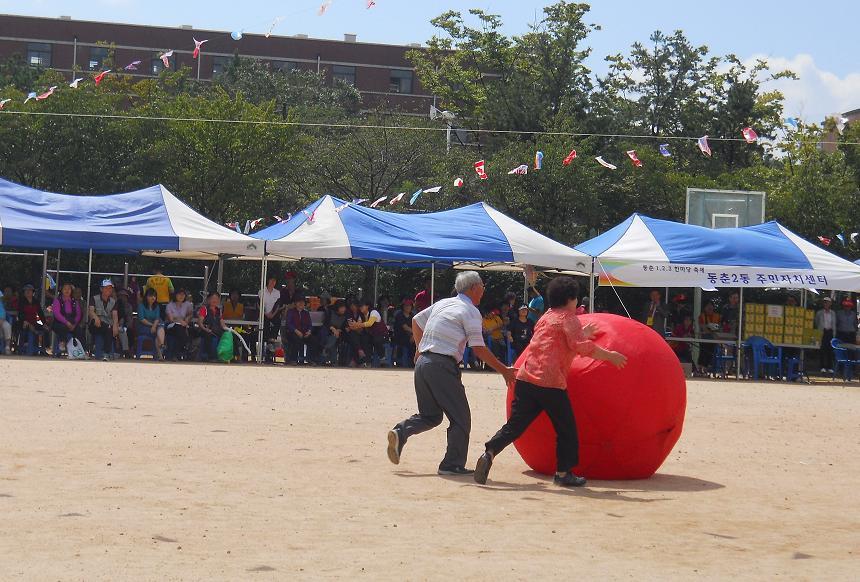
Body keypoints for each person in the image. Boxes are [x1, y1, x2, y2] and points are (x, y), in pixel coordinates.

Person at [473, 276, 627, 487]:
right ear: (570, 299)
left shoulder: (546, 316)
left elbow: (558, 338)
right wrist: (610, 355)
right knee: (566, 430)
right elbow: (581, 347)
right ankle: (563, 473)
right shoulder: (569, 318)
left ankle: (489, 452)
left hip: (526, 378)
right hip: (550, 383)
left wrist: (583, 332)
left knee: (516, 425)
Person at [387, 271, 517, 476]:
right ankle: (451, 464)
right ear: (474, 288)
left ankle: (401, 431)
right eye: (482, 286)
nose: (484, 290)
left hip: (423, 364)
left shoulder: (443, 303)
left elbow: (416, 321)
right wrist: (504, 370)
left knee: (430, 416)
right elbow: (478, 348)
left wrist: (419, 348)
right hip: (443, 365)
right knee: (461, 418)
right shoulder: (471, 311)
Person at [89, 279, 119, 360]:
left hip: (107, 325)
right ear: (101, 289)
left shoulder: (113, 301)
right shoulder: (94, 298)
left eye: (110, 288)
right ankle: (106, 353)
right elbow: (91, 311)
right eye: (106, 288)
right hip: (95, 325)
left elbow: (115, 315)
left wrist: (115, 325)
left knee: (109, 329)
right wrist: (96, 318)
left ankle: (106, 353)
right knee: (108, 329)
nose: (108, 290)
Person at [51, 282, 82, 355]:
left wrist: (74, 324)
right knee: (63, 327)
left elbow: (78, 314)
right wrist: (66, 322)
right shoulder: (57, 301)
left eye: (69, 289)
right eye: (65, 289)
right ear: (62, 290)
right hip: (59, 323)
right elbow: (57, 314)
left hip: (72, 323)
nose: (67, 290)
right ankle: (62, 343)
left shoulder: (75, 302)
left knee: (79, 330)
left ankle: (81, 350)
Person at [284, 295, 315, 364]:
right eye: (299, 302)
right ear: (295, 303)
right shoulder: (291, 311)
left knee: (313, 340)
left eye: (302, 302)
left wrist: (309, 331)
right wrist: (296, 331)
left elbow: (310, 324)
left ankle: (310, 359)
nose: (301, 303)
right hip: (293, 332)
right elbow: (289, 324)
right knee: (296, 339)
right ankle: (293, 359)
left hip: (304, 333)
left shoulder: (306, 313)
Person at [198, 292, 227, 361]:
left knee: (227, 336)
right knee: (210, 337)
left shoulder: (218, 310)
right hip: (206, 330)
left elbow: (222, 322)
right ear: (208, 300)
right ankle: (210, 356)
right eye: (213, 298)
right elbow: (200, 322)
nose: (215, 300)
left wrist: (227, 330)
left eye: (217, 299)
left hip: (216, 330)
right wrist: (205, 329)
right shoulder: (204, 309)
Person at [18, 284, 46, 355]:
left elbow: (40, 313)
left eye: (30, 290)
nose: (28, 292)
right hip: (24, 322)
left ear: (33, 292)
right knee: (27, 327)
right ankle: (25, 348)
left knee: (44, 328)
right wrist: (25, 321)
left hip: (34, 322)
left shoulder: (36, 301)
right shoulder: (21, 301)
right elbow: (20, 314)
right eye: (26, 290)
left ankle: (42, 350)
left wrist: (44, 323)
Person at [138, 288, 166, 359]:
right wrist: (152, 325)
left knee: (158, 332)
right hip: (144, 326)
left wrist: (154, 326)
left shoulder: (157, 306)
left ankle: (160, 353)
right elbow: (142, 319)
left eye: (154, 296)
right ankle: (161, 347)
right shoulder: (141, 306)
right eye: (150, 296)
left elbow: (157, 318)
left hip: (155, 326)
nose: (153, 297)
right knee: (158, 330)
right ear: (146, 297)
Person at [165, 288, 193, 359]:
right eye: (179, 294)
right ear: (175, 295)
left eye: (183, 294)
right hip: (172, 326)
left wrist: (187, 319)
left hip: (183, 325)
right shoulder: (170, 305)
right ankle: (179, 351)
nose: (181, 296)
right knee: (179, 329)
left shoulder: (187, 304)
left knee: (187, 330)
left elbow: (190, 314)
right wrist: (180, 321)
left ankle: (178, 352)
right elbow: (171, 319)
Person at [321, 300, 349, 365]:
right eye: (341, 308)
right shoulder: (330, 312)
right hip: (328, 332)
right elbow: (325, 323)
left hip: (339, 334)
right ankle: (333, 361)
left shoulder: (345, 315)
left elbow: (345, 327)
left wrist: (339, 330)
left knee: (334, 338)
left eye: (344, 308)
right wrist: (333, 329)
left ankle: (326, 349)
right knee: (333, 338)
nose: (343, 309)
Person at [391, 298, 415, 367]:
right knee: (411, 344)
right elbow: (405, 327)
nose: (408, 307)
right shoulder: (399, 315)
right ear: (403, 306)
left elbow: (415, 326)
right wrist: (414, 334)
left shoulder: (412, 315)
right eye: (406, 305)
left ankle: (413, 362)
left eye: (409, 305)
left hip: (410, 336)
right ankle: (407, 363)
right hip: (399, 336)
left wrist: (413, 336)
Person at [697, 301, 721, 372]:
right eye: (708, 306)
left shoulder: (717, 316)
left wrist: (712, 329)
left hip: (713, 338)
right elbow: (702, 327)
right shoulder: (701, 316)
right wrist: (709, 328)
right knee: (703, 353)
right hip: (704, 338)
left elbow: (719, 327)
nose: (710, 307)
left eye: (711, 305)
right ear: (705, 308)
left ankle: (706, 369)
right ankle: (700, 369)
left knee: (710, 354)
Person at [815, 297, 836, 373]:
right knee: (822, 349)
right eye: (825, 302)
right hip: (822, 332)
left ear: (830, 304)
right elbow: (816, 322)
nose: (826, 304)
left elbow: (834, 323)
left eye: (827, 302)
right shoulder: (819, 313)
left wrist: (834, 333)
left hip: (830, 332)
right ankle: (822, 367)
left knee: (830, 350)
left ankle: (830, 367)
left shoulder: (833, 313)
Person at [260, 276, 282, 350]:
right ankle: (268, 343)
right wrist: (265, 313)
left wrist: (272, 314)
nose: (273, 282)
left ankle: (271, 341)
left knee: (277, 321)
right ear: (268, 281)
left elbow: (278, 304)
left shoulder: (277, 292)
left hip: (274, 314)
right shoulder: (261, 291)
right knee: (264, 323)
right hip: (264, 314)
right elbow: (259, 304)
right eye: (271, 280)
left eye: (274, 281)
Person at [114, 288, 134, 358]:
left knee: (130, 332)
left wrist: (126, 327)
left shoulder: (129, 306)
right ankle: (123, 351)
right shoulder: (114, 304)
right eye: (120, 296)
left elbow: (129, 318)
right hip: (115, 325)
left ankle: (128, 351)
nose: (122, 298)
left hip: (125, 325)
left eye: (124, 296)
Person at [0, 289, 12, 354]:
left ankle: (7, 347)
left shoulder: (1, 305)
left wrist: (1, 320)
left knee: (7, 326)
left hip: (2, 321)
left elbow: (2, 314)